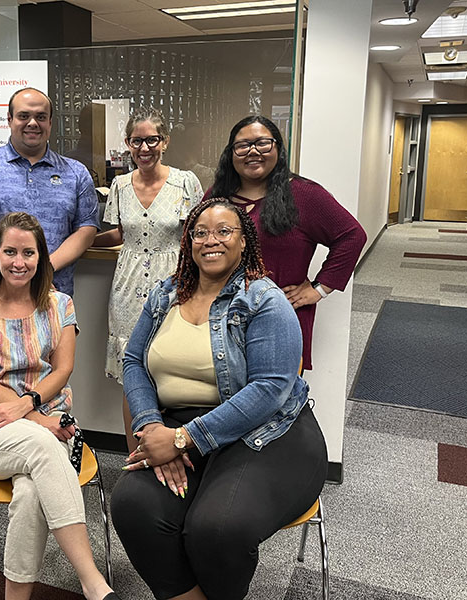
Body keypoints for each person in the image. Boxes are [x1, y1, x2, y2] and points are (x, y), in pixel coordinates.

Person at [110, 198, 327, 600]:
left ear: (244, 241)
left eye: (225, 231)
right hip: (180, 425)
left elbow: (269, 391)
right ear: (189, 241)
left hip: (268, 431)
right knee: (133, 506)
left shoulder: (264, 300)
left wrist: (181, 440)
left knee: (217, 528)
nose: (212, 240)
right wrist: (152, 425)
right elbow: (134, 361)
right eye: (201, 232)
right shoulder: (166, 294)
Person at [0, 212, 119, 600]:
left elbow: (63, 370)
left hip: (51, 423)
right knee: (43, 449)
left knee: (30, 492)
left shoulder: (60, 304)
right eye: (9, 251)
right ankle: (93, 582)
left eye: (28, 252)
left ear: (42, 257)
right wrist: (38, 421)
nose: (18, 261)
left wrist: (30, 410)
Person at [208, 115, 367, 370]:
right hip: (220, 318)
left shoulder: (304, 195)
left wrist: (319, 289)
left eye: (263, 143)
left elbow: (352, 236)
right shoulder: (218, 194)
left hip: (278, 321)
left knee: (275, 402)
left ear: (278, 149)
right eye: (243, 145)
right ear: (231, 153)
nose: (253, 151)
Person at [92, 108, 203, 451]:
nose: (144, 147)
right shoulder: (120, 185)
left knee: (168, 368)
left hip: (172, 284)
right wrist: (83, 241)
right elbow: (120, 233)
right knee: (133, 375)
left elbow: (196, 237)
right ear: (127, 144)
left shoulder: (185, 182)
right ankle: (134, 455)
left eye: (151, 140)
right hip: (126, 287)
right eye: (136, 140)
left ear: (165, 142)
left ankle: (169, 450)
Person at [0, 87, 99, 296]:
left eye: (41, 117)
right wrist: (20, 269)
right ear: (9, 119)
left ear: (50, 122)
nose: (32, 123)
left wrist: (44, 271)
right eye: (23, 116)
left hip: (54, 297)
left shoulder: (76, 172)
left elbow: (86, 231)